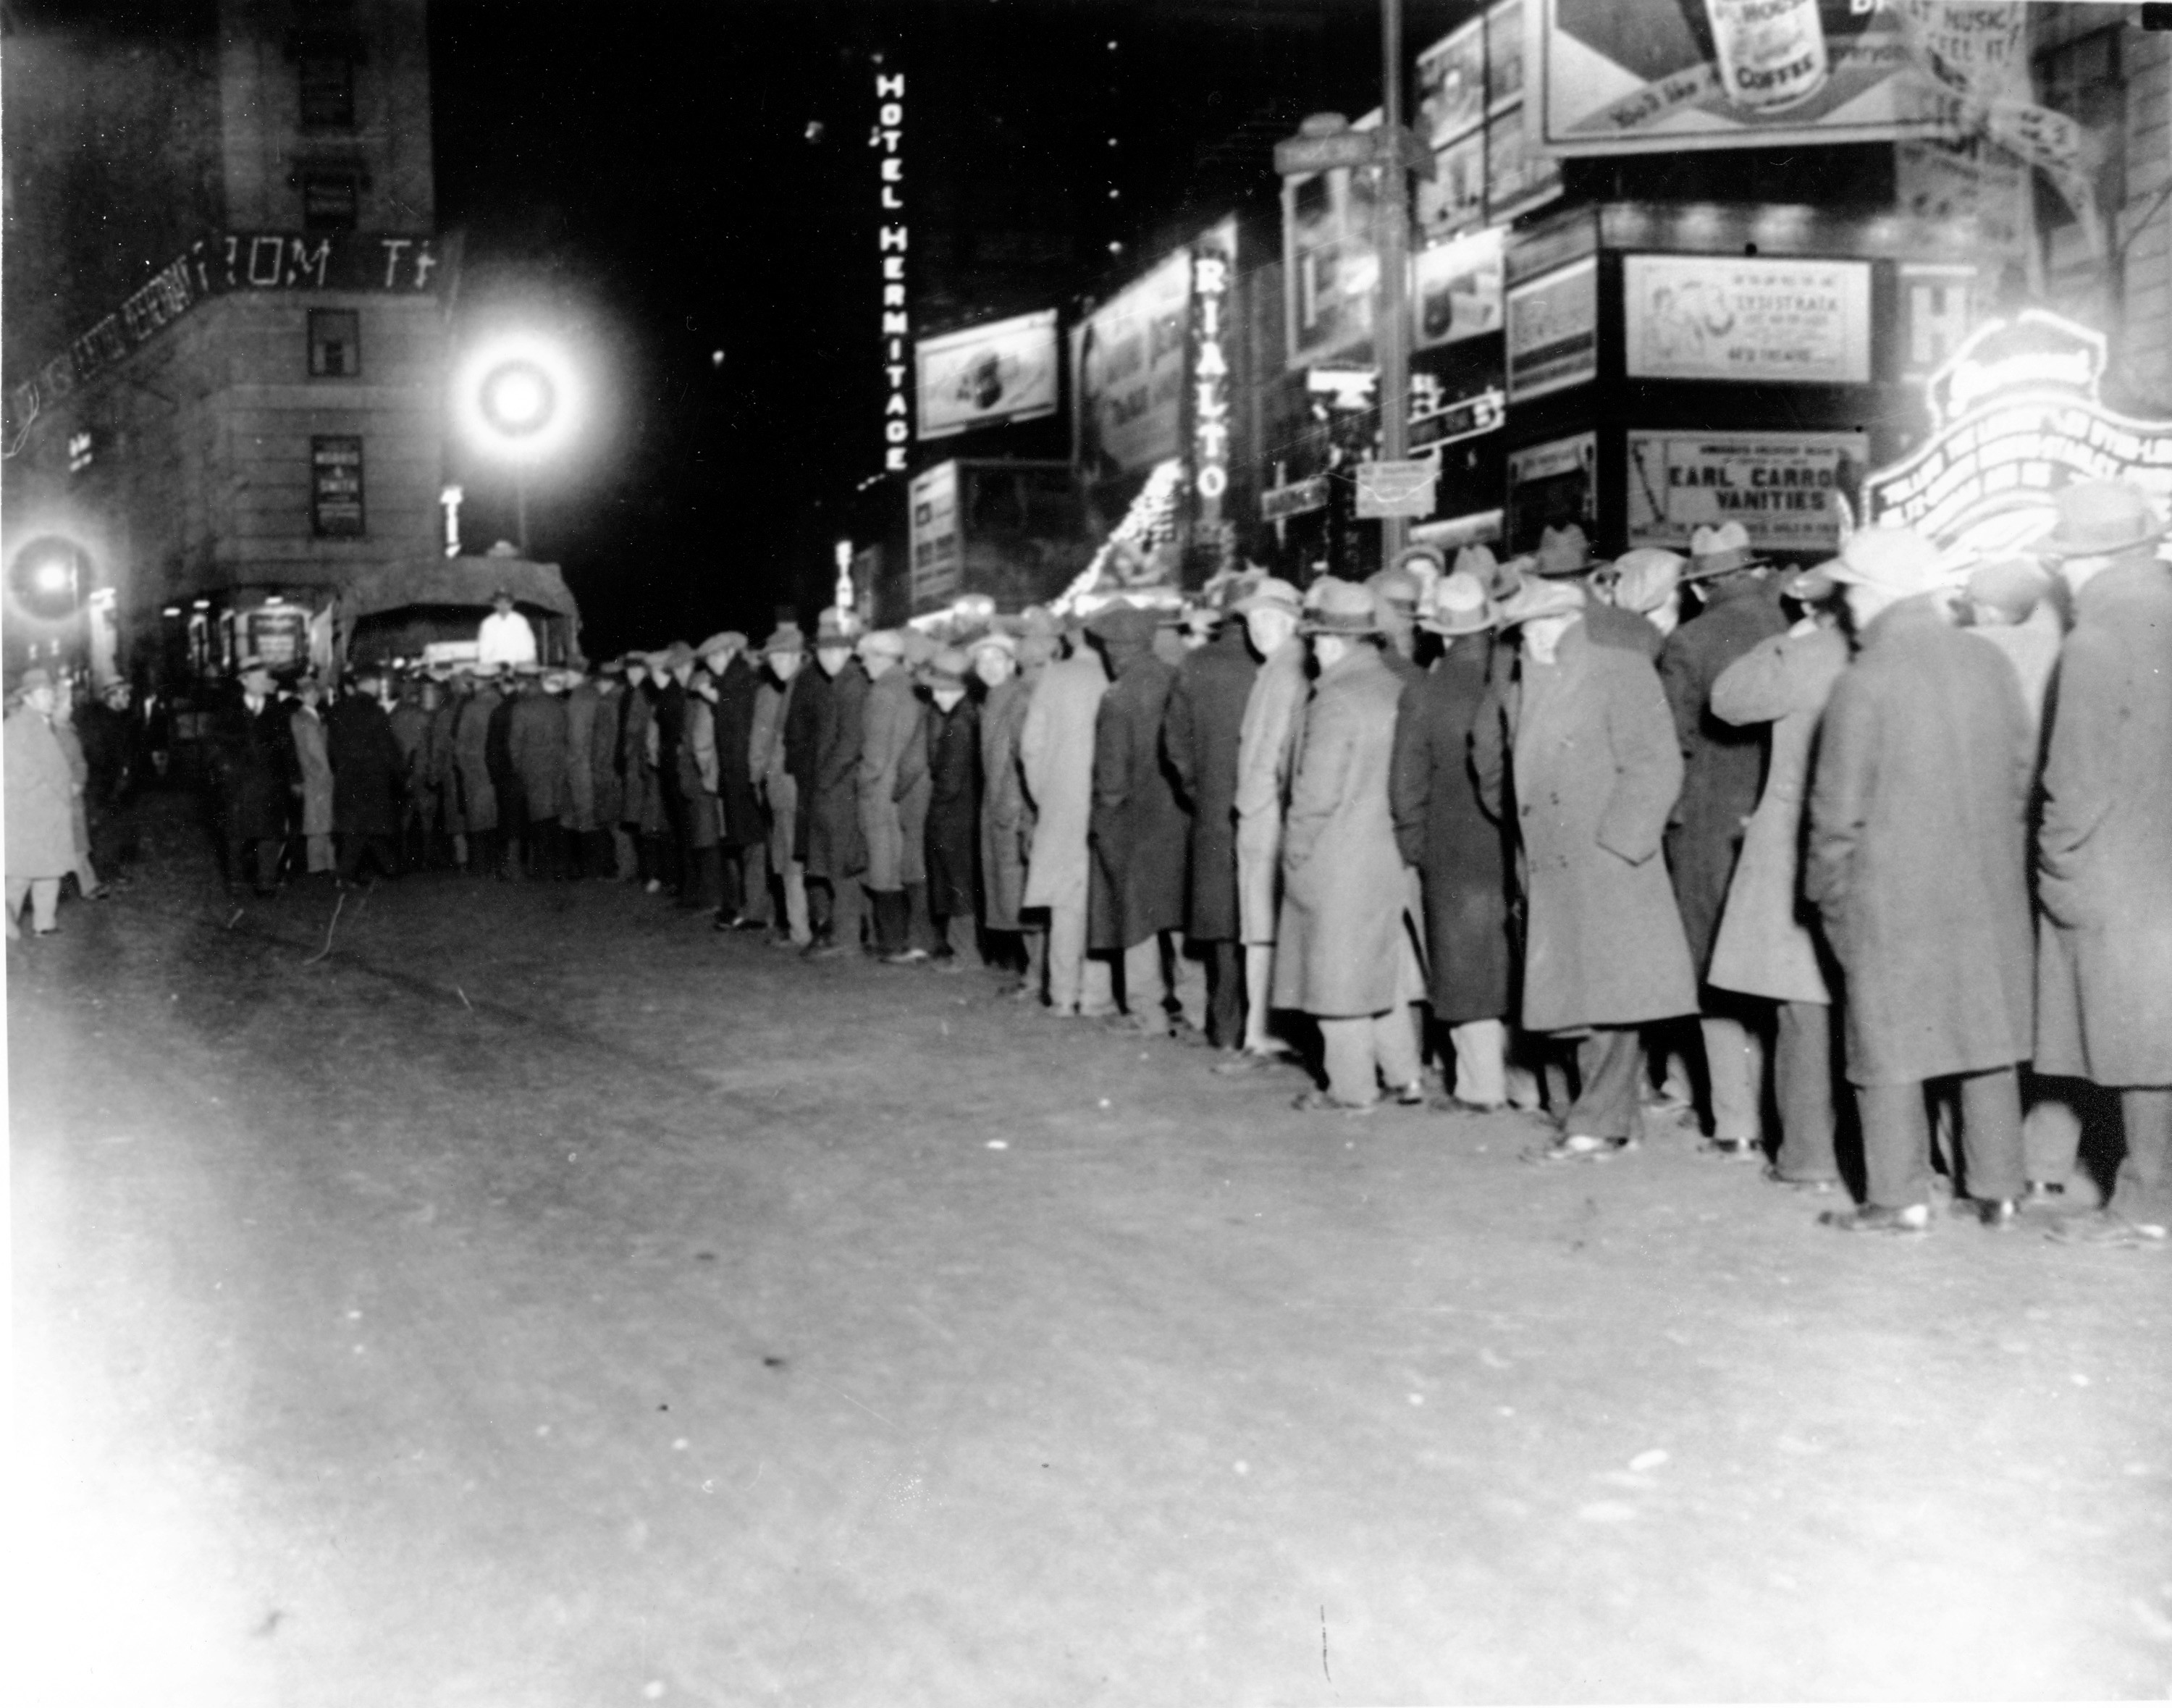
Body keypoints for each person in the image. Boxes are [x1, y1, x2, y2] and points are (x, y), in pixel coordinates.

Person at [1806, 526, 2035, 1234]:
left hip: (1892, 897)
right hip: (1987, 889)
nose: (1846, 607)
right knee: (1984, 1033)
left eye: (1851, 593)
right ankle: (1997, 1188)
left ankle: (1898, 1197)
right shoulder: (1988, 661)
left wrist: (1829, 898)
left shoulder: (1865, 679)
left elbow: (1836, 816)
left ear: (1878, 594)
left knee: (1889, 1041)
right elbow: (2021, 780)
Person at [1474, 577, 1697, 1161]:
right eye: (1524, 632)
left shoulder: (1619, 671)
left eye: (1536, 628)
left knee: (1606, 1001)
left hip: (1605, 865)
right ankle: (1615, 1122)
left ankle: (1595, 1126)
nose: (1529, 641)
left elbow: (1657, 763)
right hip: (1553, 869)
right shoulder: (1529, 685)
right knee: (1586, 1001)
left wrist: (1619, 844)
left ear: (1565, 624)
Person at [2029, 481, 2172, 1245]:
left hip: (2124, 874)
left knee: (2139, 1044)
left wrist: (2056, 868)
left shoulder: (2097, 639)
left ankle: (2146, 1206)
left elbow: (2073, 780)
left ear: (2079, 564)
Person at [1706, 565, 1853, 1192]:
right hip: (1890, 847)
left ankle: (1809, 1157)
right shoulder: (1899, 652)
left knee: (1805, 1007)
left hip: (1803, 846)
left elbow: (1727, 697)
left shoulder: (1805, 656)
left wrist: (1786, 640)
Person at [1659, 521, 1790, 1158]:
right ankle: (1781, 1114)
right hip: (1779, 817)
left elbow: (1671, 741)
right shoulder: (1789, 627)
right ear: (1754, 571)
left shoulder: (1689, 641)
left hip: (1709, 822)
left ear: (1700, 586)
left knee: (1713, 964)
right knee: (1777, 967)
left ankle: (1736, 1120)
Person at [1274, 579, 1423, 1111]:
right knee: (1380, 971)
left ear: (1333, 641)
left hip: (1336, 859)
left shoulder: (1336, 699)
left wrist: (1294, 850)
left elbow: (1316, 792)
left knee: (1335, 976)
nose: (1314, 650)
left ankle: (1352, 1088)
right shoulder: (1394, 686)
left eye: (1316, 640)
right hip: (1383, 855)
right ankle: (1406, 1075)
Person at [1392, 569, 1515, 1110]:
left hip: (1451, 848)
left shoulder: (1425, 692)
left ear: (1439, 633)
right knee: (1512, 957)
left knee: (1463, 967)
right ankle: (1527, 1085)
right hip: (1512, 841)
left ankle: (1480, 1086)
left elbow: (1405, 786)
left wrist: (1413, 846)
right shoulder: (1513, 679)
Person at [1086, 602, 1192, 1036]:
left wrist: (1102, 823)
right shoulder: (1178, 678)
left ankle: (1148, 1012)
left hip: (1133, 823)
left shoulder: (1119, 696)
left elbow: (1111, 778)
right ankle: (1195, 1010)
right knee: (1181, 910)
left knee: (1137, 917)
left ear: (1114, 650)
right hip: (1179, 818)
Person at [1163, 579, 1258, 1053]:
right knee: (1260, 922)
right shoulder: (1276, 664)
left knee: (1222, 924)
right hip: (1266, 813)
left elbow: (1175, 743)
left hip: (1214, 813)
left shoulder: (1196, 664)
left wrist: (1200, 791)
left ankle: (1225, 1029)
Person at [1226, 576, 1308, 1066]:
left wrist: (1248, 804)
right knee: (1262, 932)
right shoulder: (1276, 667)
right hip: (1266, 819)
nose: (1259, 628)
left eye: (1270, 618)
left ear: (1292, 622)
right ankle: (1265, 1035)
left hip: (1267, 821)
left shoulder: (1285, 671)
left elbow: (1273, 749)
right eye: (1254, 619)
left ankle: (1267, 1037)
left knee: (1265, 932)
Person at [1021, 607, 1113, 1016]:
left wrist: (1046, 793)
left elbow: (1031, 745)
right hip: (1106, 803)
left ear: (1070, 639)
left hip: (1062, 803)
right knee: (1100, 897)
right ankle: (1096, 996)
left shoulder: (1054, 677)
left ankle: (1063, 994)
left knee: (1064, 901)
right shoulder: (1113, 677)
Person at [972, 627, 1043, 996]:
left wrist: (1014, 810)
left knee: (1024, 893)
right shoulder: (995, 699)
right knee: (1013, 893)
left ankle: (1037, 977)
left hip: (1013, 813)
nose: (989, 666)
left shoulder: (1017, 699)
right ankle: (1033, 973)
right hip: (1002, 810)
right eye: (982, 660)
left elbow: (1025, 759)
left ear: (1012, 663)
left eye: (997, 659)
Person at [799, 609, 870, 959]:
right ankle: (847, 934)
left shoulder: (851, 685)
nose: (827, 658)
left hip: (840, 788)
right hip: (835, 786)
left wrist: (824, 780)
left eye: (834, 651)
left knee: (842, 863)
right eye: (822, 652)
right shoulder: (840, 682)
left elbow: (850, 742)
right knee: (837, 862)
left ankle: (847, 938)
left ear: (848, 652)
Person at [855, 629, 927, 960]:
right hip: (907, 789)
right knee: (904, 864)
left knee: (884, 868)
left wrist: (862, 783)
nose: (863, 664)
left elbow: (875, 754)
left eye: (867, 657)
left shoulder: (882, 691)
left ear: (882, 657)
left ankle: (893, 942)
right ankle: (912, 939)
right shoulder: (910, 685)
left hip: (881, 791)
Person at [208, 657, 298, 897]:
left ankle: (266, 881)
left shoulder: (277, 712)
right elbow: (214, 747)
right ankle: (237, 880)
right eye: (257, 678)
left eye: (264, 678)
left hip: (270, 783)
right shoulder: (228, 712)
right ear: (244, 681)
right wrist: (224, 771)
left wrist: (294, 778)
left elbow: (288, 747)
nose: (262, 683)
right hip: (238, 785)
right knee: (237, 836)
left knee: (270, 834)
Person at [749, 623, 812, 947]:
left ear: (796, 656)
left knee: (791, 859)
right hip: (789, 786)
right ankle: (803, 927)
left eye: (780, 657)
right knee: (792, 858)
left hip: (790, 787)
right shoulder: (790, 688)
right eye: (772, 659)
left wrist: (759, 776)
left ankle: (800, 930)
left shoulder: (793, 690)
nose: (775, 664)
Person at [920, 646, 982, 969]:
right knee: (961, 883)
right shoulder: (969, 715)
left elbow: (950, 781)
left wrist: (935, 809)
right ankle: (964, 951)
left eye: (944, 690)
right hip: (965, 814)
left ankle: (965, 954)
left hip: (953, 816)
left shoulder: (958, 724)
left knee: (958, 885)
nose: (937, 696)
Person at [7, 668, 80, 936]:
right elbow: (15, 773)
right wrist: (56, 788)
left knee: (49, 872)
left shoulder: (43, 724)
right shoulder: (17, 727)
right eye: (44, 693)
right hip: (30, 813)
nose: (51, 698)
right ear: (27, 698)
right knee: (21, 875)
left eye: (52, 693)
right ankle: (6, 926)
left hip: (47, 812)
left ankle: (45, 924)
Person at [701, 632, 765, 927]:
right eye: (709, 658)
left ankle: (755, 911)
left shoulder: (738, 685)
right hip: (736, 777)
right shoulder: (734, 684)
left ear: (730, 653)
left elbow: (739, 737)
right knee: (745, 843)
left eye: (716, 656)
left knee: (751, 844)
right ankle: (750, 908)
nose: (711, 663)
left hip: (741, 778)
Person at [327, 668, 405, 885]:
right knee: (370, 828)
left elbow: (332, 749)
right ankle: (379, 871)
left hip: (348, 778)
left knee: (360, 829)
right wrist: (398, 773)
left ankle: (387, 869)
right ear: (372, 684)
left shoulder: (339, 711)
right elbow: (387, 748)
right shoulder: (375, 711)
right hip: (373, 779)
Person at [48, 684, 106, 901]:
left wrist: (79, 780)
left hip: (73, 795)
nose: (71, 708)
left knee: (79, 842)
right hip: (58, 797)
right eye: (67, 704)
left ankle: (88, 885)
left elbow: (80, 761)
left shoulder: (69, 729)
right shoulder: (48, 734)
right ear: (54, 707)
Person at [677, 663, 725, 906]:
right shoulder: (701, 705)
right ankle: (713, 896)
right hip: (704, 777)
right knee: (709, 836)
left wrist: (705, 773)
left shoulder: (694, 705)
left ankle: (711, 896)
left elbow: (697, 743)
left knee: (706, 837)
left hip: (699, 777)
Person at [453, 665, 503, 877]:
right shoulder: (503, 703)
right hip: (500, 770)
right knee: (499, 818)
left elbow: (460, 745)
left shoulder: (472, 708)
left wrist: (465, 768)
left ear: (479, 682)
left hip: (476, 771)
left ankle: (481, 866)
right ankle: (498, 865)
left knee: (479, 820)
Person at [289, 676, 337, 877]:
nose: (314, 696)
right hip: (317, 776)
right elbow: (316, 751)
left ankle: (323, 865)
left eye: (316, 692)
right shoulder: (307, 720)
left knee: (319, 823)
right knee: (320, 824)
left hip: (312, 775)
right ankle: (321, 866)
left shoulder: (304, 717)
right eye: (309, 692)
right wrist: (327, 774)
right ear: (301, 696)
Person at [476, 589, 538, 670]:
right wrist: (489, 663)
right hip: (494, 665)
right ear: (494, 604)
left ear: (511, 604)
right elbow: (484, 648)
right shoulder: (487, 623)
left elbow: (528, 646)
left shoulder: (520, 621)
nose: (503, 606)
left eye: (506, 602)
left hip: (518, 664)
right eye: (499, 603)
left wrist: (522, 662)